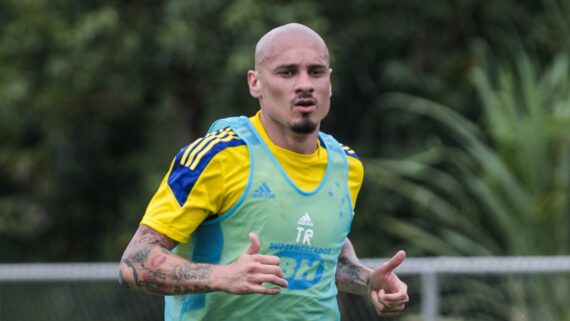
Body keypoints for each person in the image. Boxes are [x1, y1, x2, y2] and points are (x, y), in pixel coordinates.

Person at [119, 23, 409, 320]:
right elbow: (136, 262)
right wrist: (222, 276)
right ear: (255, 83)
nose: (304, 84)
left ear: (330, 83)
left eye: (316, 72)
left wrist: (367, 280)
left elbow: (322, 252)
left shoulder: (347, 166)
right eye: (287, 72)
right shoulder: (217, 156)